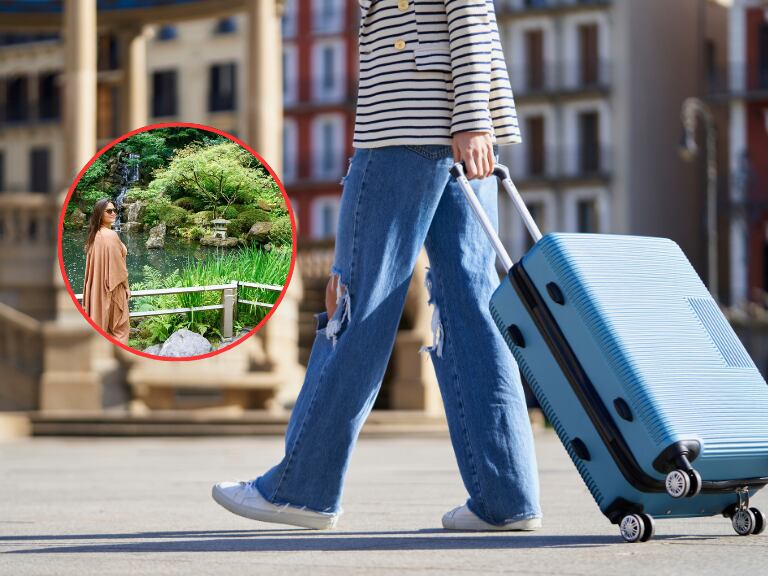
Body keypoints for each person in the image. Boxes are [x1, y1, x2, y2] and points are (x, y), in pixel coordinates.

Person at [212, 0, 542, 531]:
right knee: (473, 309)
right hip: (452, 129)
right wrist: (473, 121)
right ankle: (506, 497)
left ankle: (303, 488)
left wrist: (474, 121)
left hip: (406, 130)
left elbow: (471, 12)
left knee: (355, 302)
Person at [82, 198, 131, 346]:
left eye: (114, 210)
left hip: (97, 290)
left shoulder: (94, 235)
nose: (114, 213)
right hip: (113, 289)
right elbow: (119, 269)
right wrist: (127, 288)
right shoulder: (110, 236)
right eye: (109, 211)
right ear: (99, 214)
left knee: (106, 330)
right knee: (120, 331)